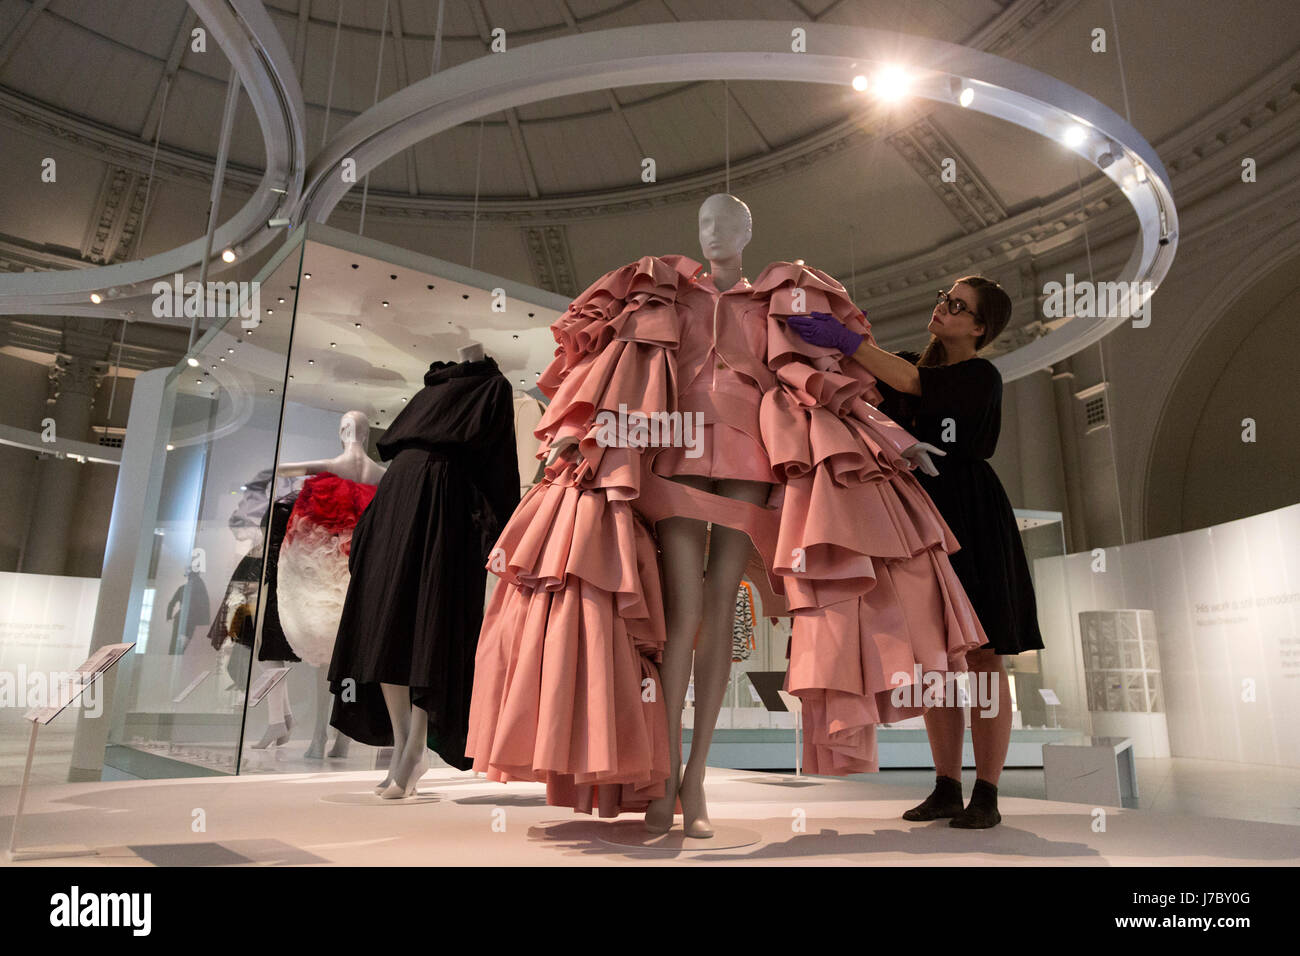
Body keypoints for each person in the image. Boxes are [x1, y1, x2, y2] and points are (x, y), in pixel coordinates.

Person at [787, 277, 1043, 828]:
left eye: (957, 307)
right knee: (938, 657)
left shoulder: (978, 374)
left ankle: (989, 793)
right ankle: (947, 784)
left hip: (971, 515)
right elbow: (866, 388)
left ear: (979, 327)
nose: (942, 310)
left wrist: (850, 342)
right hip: (916, 515)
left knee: (983, 656)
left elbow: (912, 380)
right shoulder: (903, 369)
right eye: (943, 300)